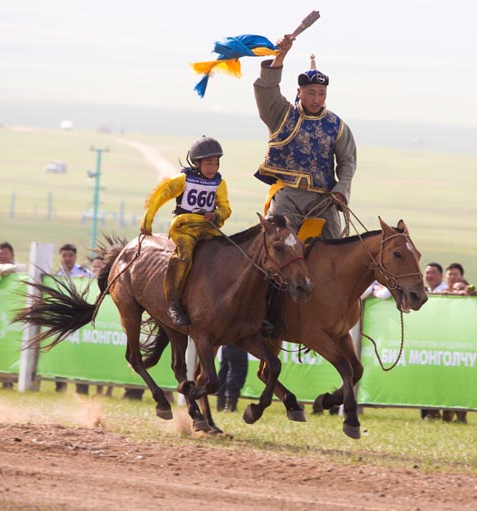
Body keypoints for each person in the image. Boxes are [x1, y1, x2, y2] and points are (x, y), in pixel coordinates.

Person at [253, 34, 356, 241]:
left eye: (321, 93)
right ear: (299, 92)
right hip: (288, 195)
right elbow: (266, 88)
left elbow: (347, 161)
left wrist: (341, 189)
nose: (317, 99)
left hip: (323, 198)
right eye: (311, 93)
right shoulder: (282, 115)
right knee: (275, 240)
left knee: (335, 247)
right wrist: (281, 55)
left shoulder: (337, 125)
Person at [140, 136, 232, 327]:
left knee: (227, 253)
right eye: (208, 164)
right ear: (197, 163)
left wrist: (216, 215)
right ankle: (173, 302)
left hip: (208, 228)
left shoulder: (219, 183)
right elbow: (160, 195)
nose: (213, 168)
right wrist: (147, 220)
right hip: (184, 227)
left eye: (215, 164)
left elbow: (225, 208)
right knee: (184, 256)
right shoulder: (183, 179)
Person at [216, 344, 248, 413]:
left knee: (225, 369)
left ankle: (221, 403)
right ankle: (230, 404)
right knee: (238, 369)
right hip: (237, 341)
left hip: (226, 342)